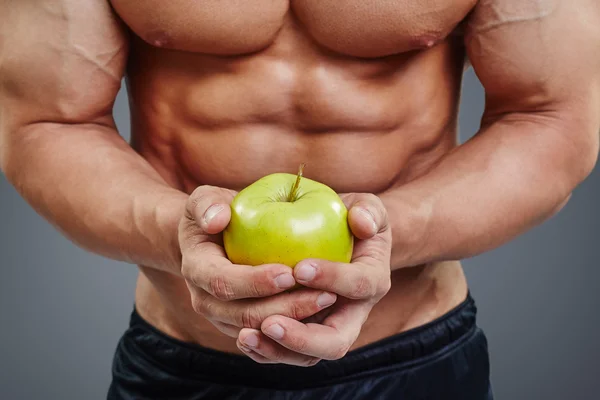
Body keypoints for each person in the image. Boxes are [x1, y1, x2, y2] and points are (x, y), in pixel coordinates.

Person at [1, 1, 598, 399]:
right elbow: (46, 123)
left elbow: (551, 118)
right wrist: (181, 237)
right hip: (183, 359)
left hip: (413, 352)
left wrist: (381, 237)